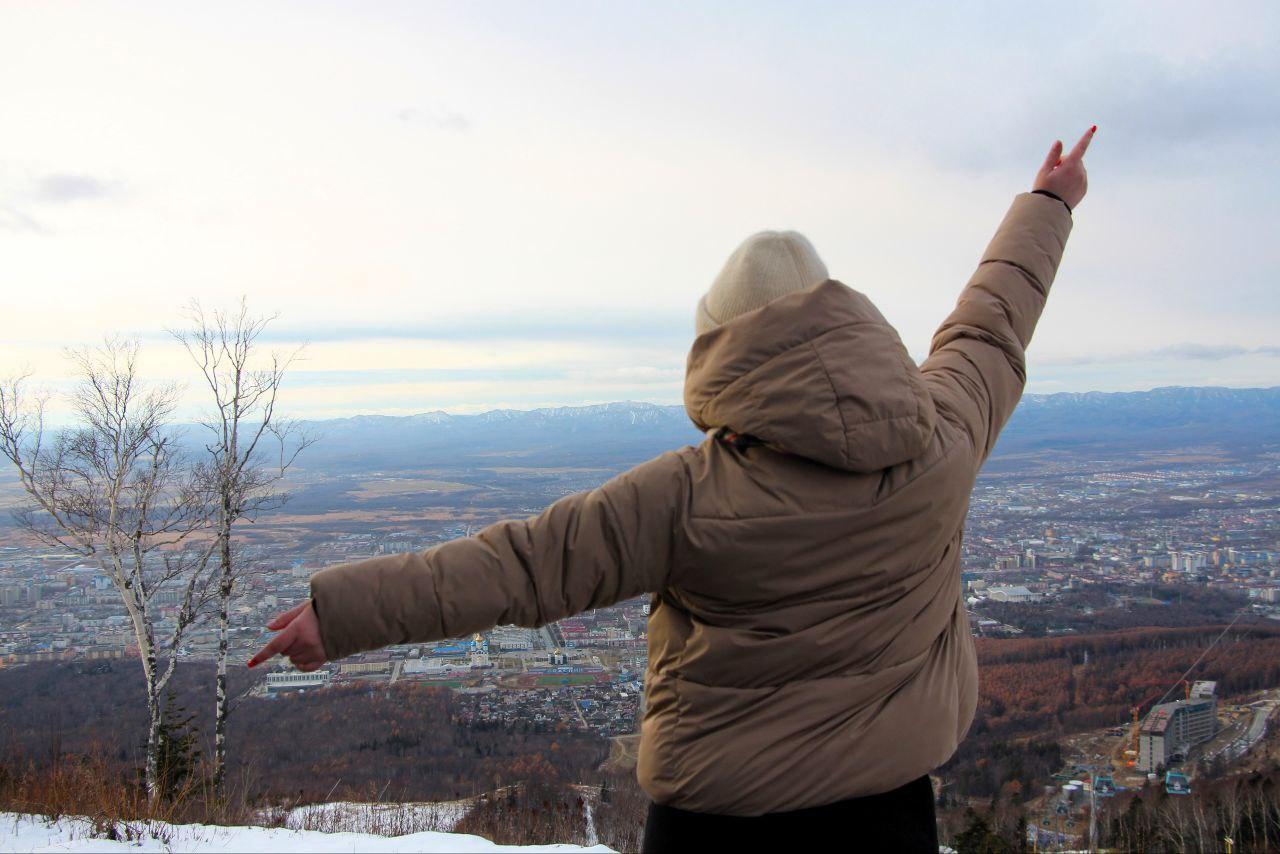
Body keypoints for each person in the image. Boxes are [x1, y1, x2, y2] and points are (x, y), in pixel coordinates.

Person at [250, 126, 1094, 852]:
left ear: (725, 352)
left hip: (718, 824)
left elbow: (521, 567)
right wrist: (1048, 204)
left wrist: (344, 613)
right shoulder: (941, 440)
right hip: (887, 818)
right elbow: (991, 324)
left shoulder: (688, 496)